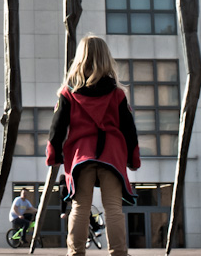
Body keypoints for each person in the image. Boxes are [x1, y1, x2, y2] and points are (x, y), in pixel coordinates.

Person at [46, 35, 140, 256]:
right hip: (112, 157)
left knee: (80, 207)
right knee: (113, 208)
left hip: (81, 156)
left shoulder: (67, 93)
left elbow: (57, 127)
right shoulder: (117, 94)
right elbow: (129, 130)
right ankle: (119, 253)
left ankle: (75, 253)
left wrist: (54, 155)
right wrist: (133, 159)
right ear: (106, 58)